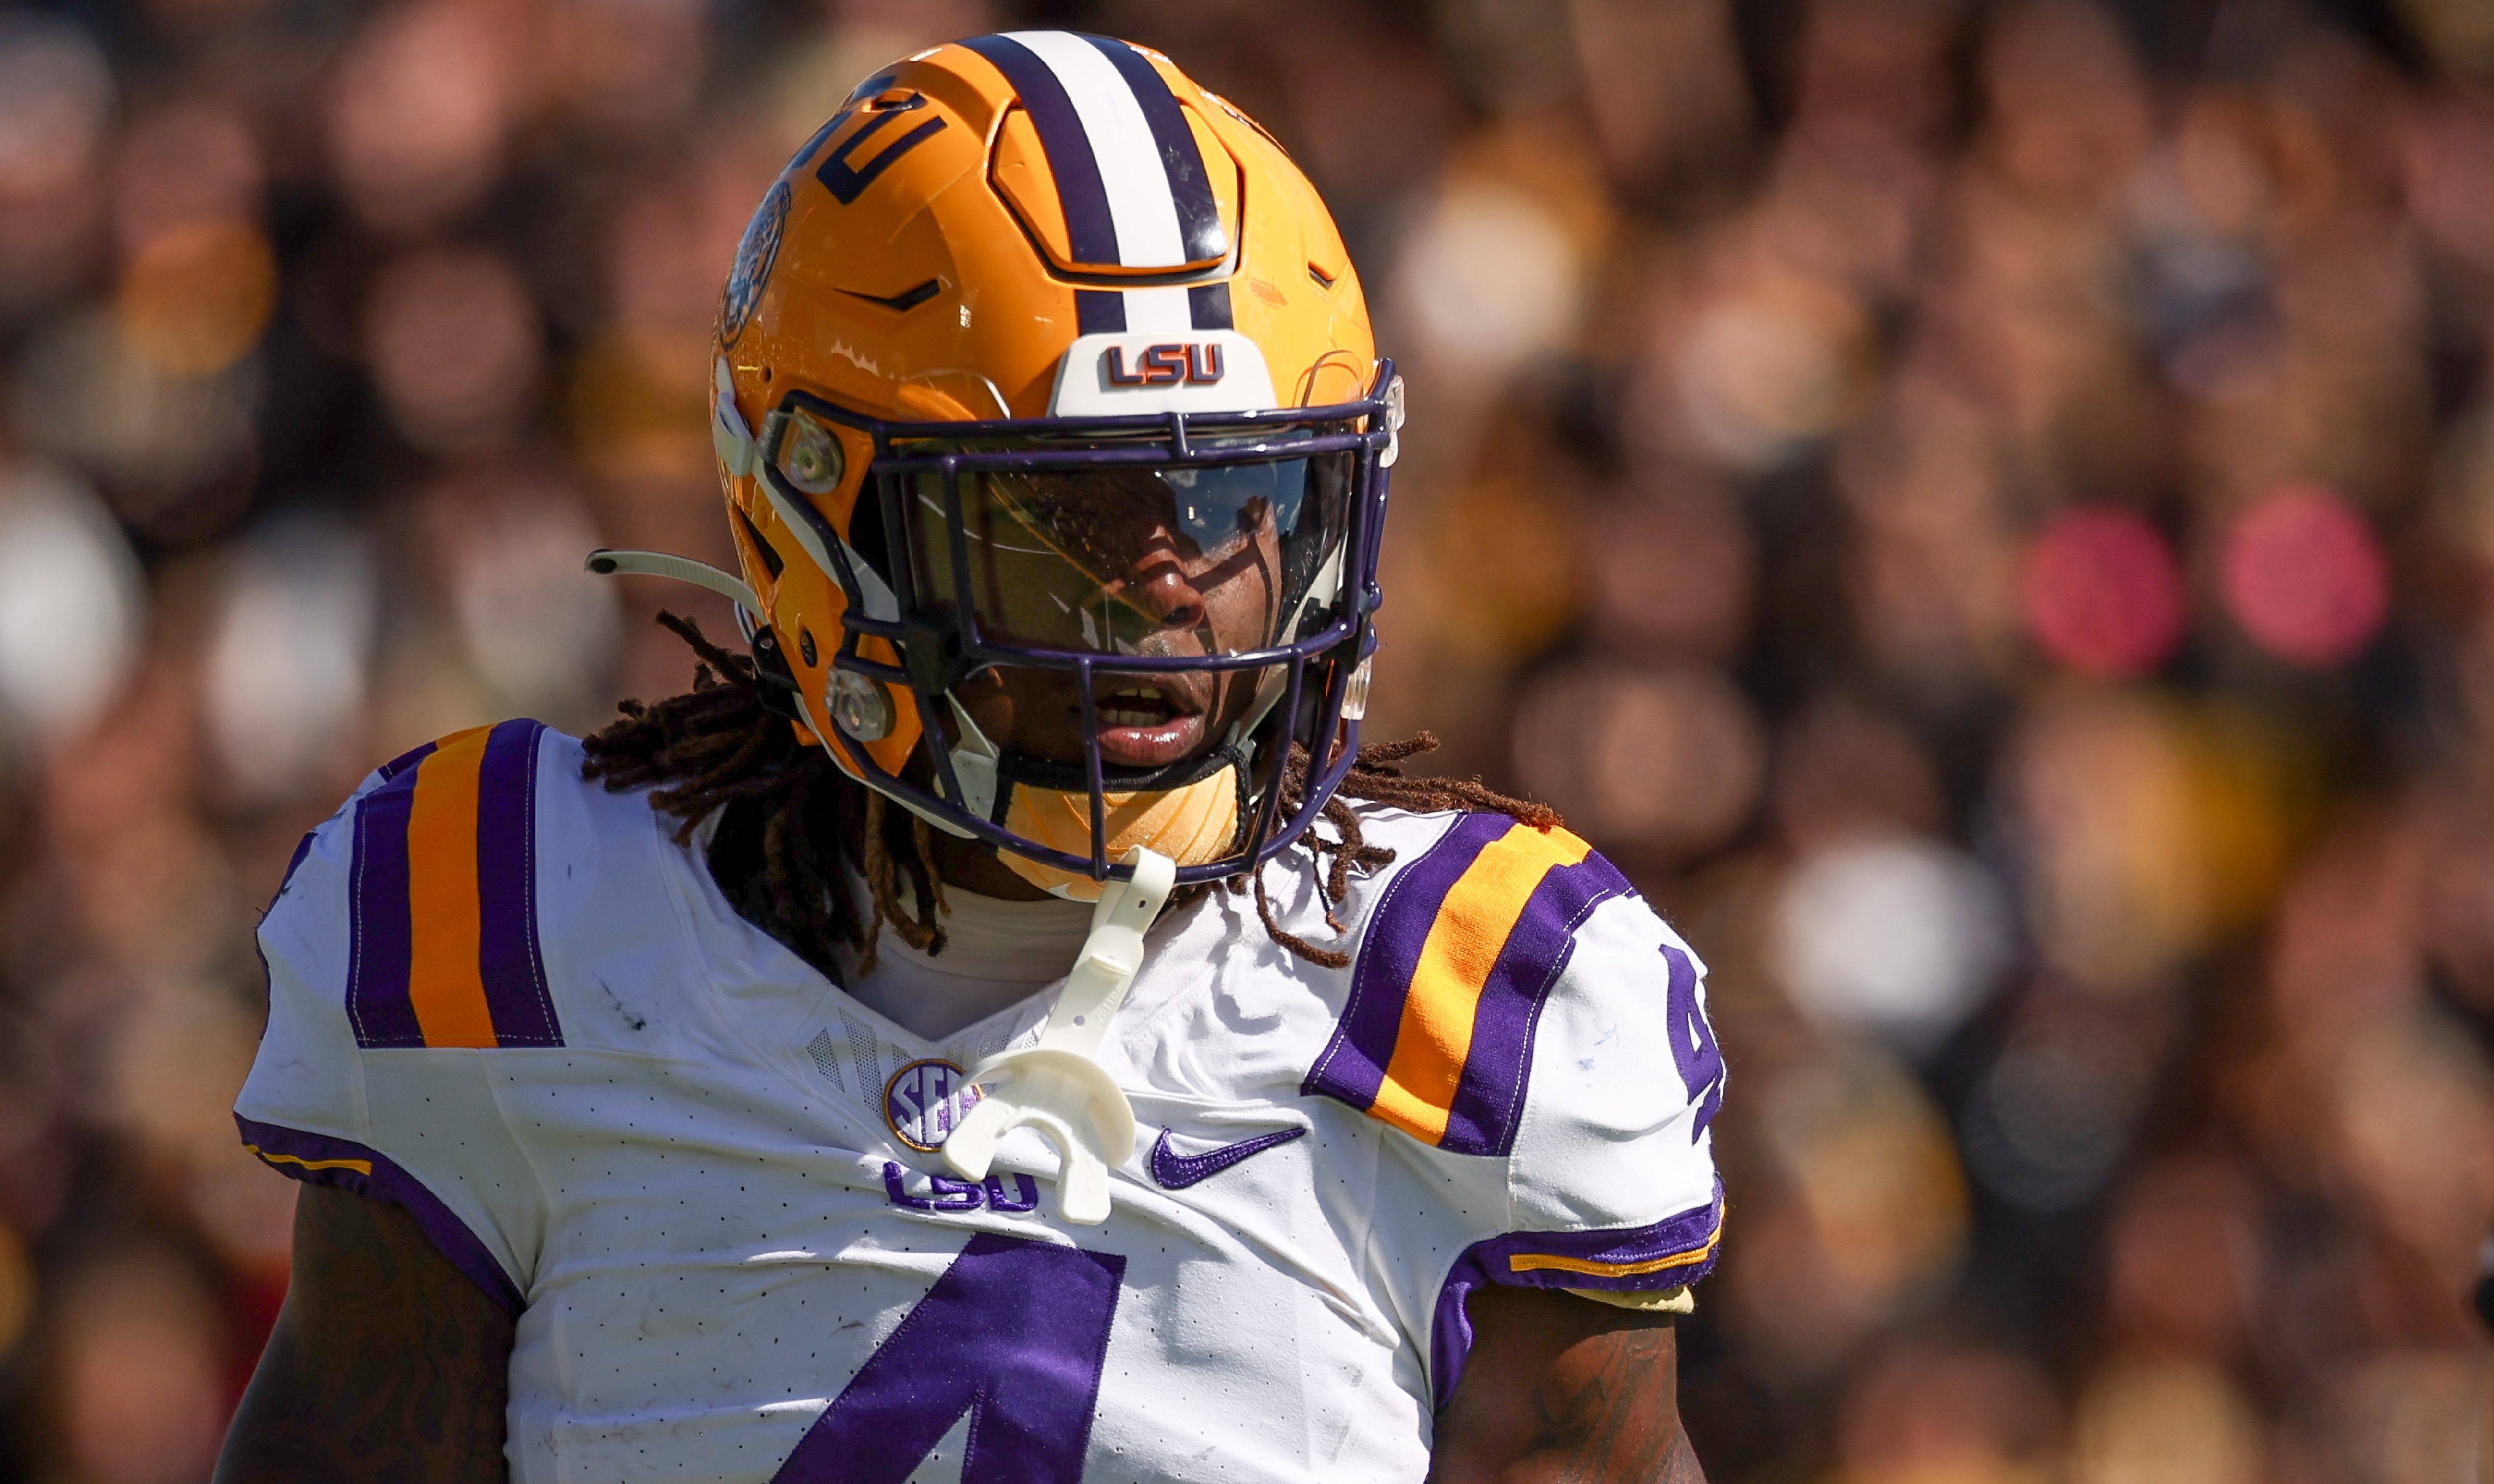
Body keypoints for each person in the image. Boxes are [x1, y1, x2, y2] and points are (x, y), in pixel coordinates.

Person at [215, 32, 1722, 1483]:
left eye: (1228, 497)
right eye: (1064, 516)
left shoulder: (1479, 998)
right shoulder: (511, 930)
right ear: (819, 513)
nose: (1167, 584)